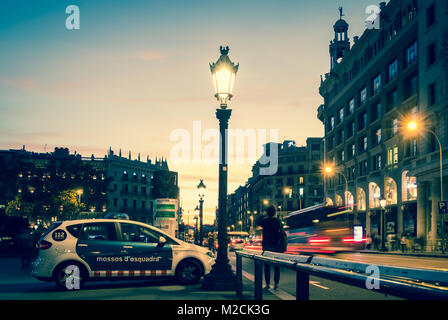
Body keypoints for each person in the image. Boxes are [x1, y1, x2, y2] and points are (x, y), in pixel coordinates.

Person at [255, 205, 284, 290]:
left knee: (267, 266)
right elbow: (281, 232)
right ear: (275, 212)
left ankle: (267, 283)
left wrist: (263, 214)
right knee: (276, 266)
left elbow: (257, 222)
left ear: (267, 212)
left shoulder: (265, 221)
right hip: (276, 246)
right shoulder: (278, 221)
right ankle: (276, 283)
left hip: (267, 246)